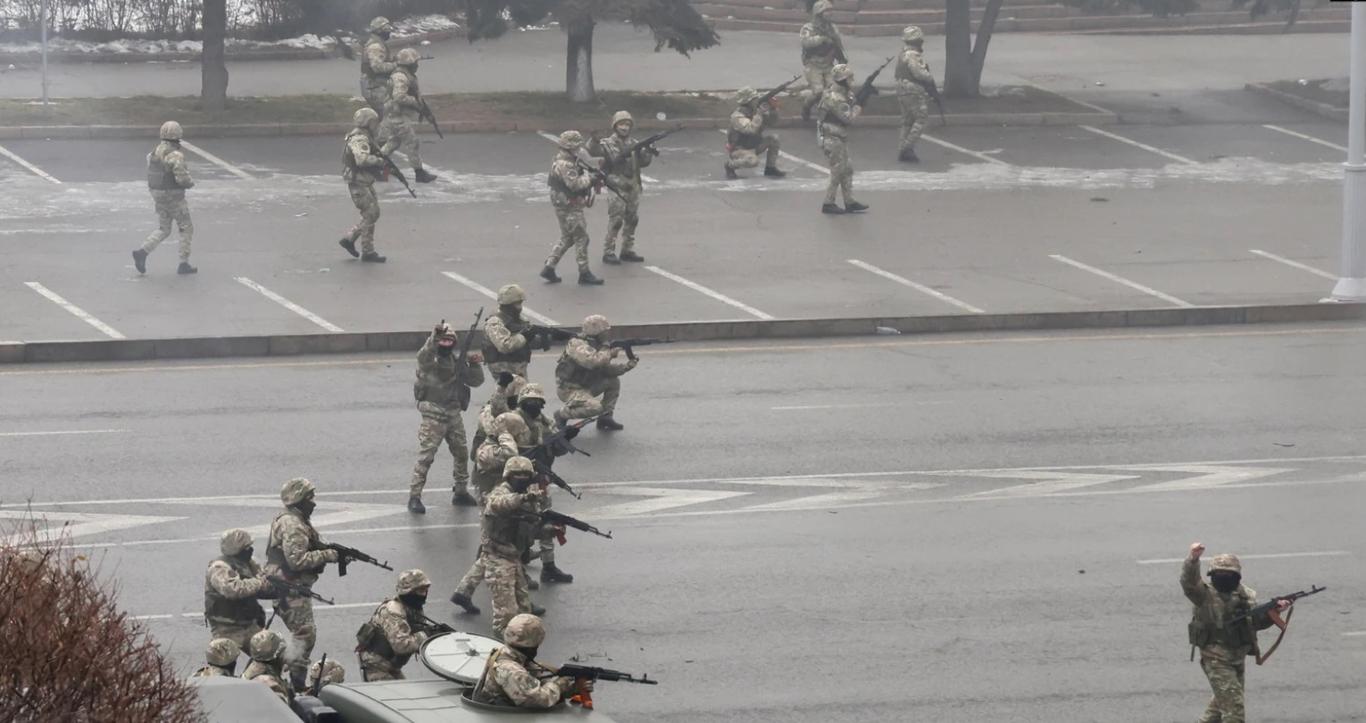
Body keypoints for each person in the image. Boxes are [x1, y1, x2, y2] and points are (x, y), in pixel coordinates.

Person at [1182, 542, 1290, 723]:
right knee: (1234, 711)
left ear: (1237, 576)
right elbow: (1188, 582)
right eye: (1219, 574)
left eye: (1228, 574)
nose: (1224, 577)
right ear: (1212, 575)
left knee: (1218, 708)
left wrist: (1275, 612)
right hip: (1216, 658)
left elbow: (1254, 623)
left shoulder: (1245, 595)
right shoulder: (1203, 594)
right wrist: (1193, 559)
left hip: (1237, 657)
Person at [263, 477, 340, 690]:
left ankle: (288, 675)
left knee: (303, 634)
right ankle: (294, 683)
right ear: (299, 499)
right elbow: (296, 561)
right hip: (289, 587)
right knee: (304, 634)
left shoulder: (296, 519)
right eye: (309, 498)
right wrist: (328, 555)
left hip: (292, 585)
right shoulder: (293, 523)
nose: (313, 503)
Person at [409, 321, 486, 513]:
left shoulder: (455, 361)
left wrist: (474, 364)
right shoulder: (430, 361)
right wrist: (434, 337)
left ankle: (460, 491)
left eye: (449, 341)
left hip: (453, 413)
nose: (446, 344)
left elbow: (476, 381)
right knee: (426, 457)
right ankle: (415, 496)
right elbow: (423, 354)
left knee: (461, 453)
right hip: (433, 415)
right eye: (442, 341)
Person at [469, 456, 544, 634]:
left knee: (524, 611)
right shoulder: (500, 492)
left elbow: (530, 525)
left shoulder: (528, 495)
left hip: (514, 558)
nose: (522, 479)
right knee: (505, 619)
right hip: (497, 559)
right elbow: (497, 504)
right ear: (508, 476)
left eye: (526, 475)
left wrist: (547, 528)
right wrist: (524, 498)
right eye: (518, 475)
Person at [472, 613, 592, 708]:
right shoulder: (511, 670)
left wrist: (572, 688)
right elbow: (539, 700)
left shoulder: (507, 653)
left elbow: (533, 683)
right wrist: (559, 685)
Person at [587, 111, 653, 265]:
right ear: (615, 126)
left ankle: (627, 249)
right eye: (621, 124)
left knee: (632, 219)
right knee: (616, 220)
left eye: (628, 124)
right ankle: (609, 251)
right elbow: (593, 151)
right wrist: (594, 141)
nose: (625, 127)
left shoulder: (634, 143)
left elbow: (643, 162)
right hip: (616, 185)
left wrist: (648, 151)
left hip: (633, 185)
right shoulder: (607, 144)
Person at [541, 131, 604, 286]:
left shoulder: (561, 160)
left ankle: (549, 266)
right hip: (570, 205)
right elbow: (574, 185)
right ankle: (584, 273)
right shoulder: (566, 164)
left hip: (562, 204)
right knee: (582, 238)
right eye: (576, 148)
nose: (578, 150)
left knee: (567, 237)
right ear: (570, 147)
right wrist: (591, 178)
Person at [133, 121, 196, 275]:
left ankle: (143, 251)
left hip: (158, 195)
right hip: (174, 196)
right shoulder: (175, 155)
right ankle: (184, 263)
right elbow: (182, 179)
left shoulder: (154, 153)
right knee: (186, 227)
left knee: (164, 228)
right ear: (178, 135)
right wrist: (190, 183)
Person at [554, 314, 637, 432]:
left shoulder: (595, 344)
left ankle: (606, 417)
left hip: (586, 384)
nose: (607, 335)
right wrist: (606, 347)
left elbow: (606, 370)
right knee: (596, 407)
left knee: (613, 381)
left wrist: (626, 367)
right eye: (604, 332)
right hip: (570, 389)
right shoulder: (578, 345)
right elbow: (595, 362)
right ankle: (561, 414)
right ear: (596, 332)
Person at [357, 569, 435, 681]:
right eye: (421, 590)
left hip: (392, 667)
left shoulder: (413, 609)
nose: (424, 594)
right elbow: (401, 646)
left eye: (425, 590)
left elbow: (420, 635)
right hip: (375, 667)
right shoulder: (393, 611)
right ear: (409, 592)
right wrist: (426, 635)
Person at [204, 528, 270, 653]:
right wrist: (259, 583)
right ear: (237, 549)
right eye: (246, 547)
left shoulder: (249, 563)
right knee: (222, 663)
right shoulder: (219, 568)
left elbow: (263, 582)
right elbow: (233, 589)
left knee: (271, 655)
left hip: (249, 625)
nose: (250, 550)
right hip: (226, 628)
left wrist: (282, 589)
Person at [379, 48, 438, 184]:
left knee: (393, 142)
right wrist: (415, 102)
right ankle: (419, 173)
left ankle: (376, 166)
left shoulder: (404, 75)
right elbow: (399, 97)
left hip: (395, 115)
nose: (417, 65)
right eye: (415, 62)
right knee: (412, 143)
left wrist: (423, 109)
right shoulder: (401, 77)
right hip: (397, 115)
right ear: (409, 63)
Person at [816, 64, 868, 215]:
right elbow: (848, 119)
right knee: (837, 170)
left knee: (847, 169)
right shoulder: (835, 98)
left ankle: (849, 201)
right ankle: (828, 203)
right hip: (831, 137)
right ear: (843, 80)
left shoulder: (843, 93)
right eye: (849, 78)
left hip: (839, 136)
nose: (852, 80)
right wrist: (858, 108)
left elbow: (850, 101)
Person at [339, 107, 388, 263]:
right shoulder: (359, 138)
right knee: (371, 214)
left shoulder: (364, 136)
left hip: (363, 181)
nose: (376, 125)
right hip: (358, 182)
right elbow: (362, 160)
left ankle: (350, 238)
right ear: (367, 123)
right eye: (373, 122)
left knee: (373, 213)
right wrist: (379, 161)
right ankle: (368, 251)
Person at [725, 88, 786, 180]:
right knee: (753, 161)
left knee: (774, 139)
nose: (757, 100)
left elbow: (772, 122)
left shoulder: (755, 111)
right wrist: (759, 114)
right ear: (748, 101)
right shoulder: (737, 116)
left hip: (755, 145)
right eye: (754, 99)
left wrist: (773, 109)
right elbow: (750, 129)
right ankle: (730, 165)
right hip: (740, 149)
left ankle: (770, 168)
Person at [799, 0, 844, 122]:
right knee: (818, 92)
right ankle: (806, 106)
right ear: (819, 12)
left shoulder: (833, 28)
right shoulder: (808, 27)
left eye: (831, 10)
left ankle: (827, 115)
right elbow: (805, 43)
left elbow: (838, 44)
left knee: (832, 91)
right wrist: (822, 39)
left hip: (828, 64)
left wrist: (841, 61)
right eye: (827, 11)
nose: (830, 13)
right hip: (813, 65)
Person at [895, 25, 935, 163]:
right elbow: (918, 73)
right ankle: (907, 148)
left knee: (907, 121)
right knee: (920, 119)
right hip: (913, 90)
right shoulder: (913, 55)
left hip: (902, 89)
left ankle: (902, 149)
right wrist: (929, 77)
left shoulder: (903, 53)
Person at [482, 284, 536, 379]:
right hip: (503, 369)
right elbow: (504, 346)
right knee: (508, 393)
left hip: (519, 367)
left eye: (520, 303)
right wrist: (524, 336)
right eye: (517, 304)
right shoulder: (494, 322)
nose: (520, 307)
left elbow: (526, 343)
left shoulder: (521, 320)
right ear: (508, 305)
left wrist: (544, 338)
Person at [242, 629, 292, 703]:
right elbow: (282, 711)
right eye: (283, 651)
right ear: (276, 656)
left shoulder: (255, 668)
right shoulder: (269, 684)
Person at [360, 17, 397, 116]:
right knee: (389, 116)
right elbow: (377, 67)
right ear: (379, 30)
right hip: (374, 87)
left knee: (388, 115)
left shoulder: (378, 43)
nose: (388, 31)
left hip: (376, 85)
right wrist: (397, 65)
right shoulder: (375, 46)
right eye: (386, 29)